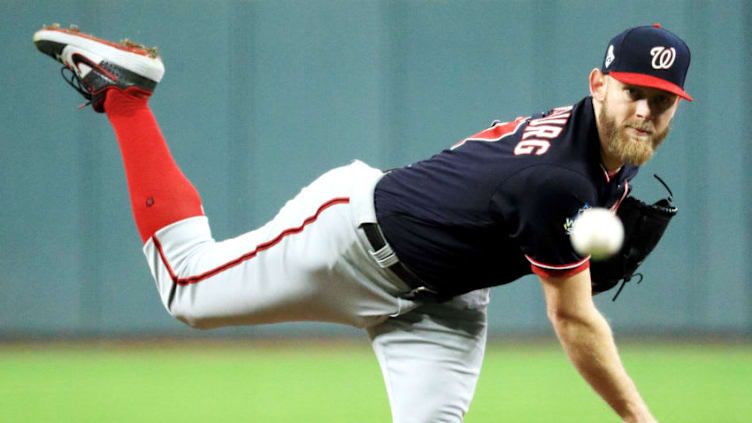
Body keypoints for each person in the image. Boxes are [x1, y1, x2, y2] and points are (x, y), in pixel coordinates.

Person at [33, 22, 691, 422]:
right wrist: (639, 414)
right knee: (187, 289)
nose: (648, 113)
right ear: (599, 83)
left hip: (443, 304)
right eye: (636, 92)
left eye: (663, 103)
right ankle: (127, 97)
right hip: (353, 242)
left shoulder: (608, 145)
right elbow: (572, 317)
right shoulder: (560, 182)